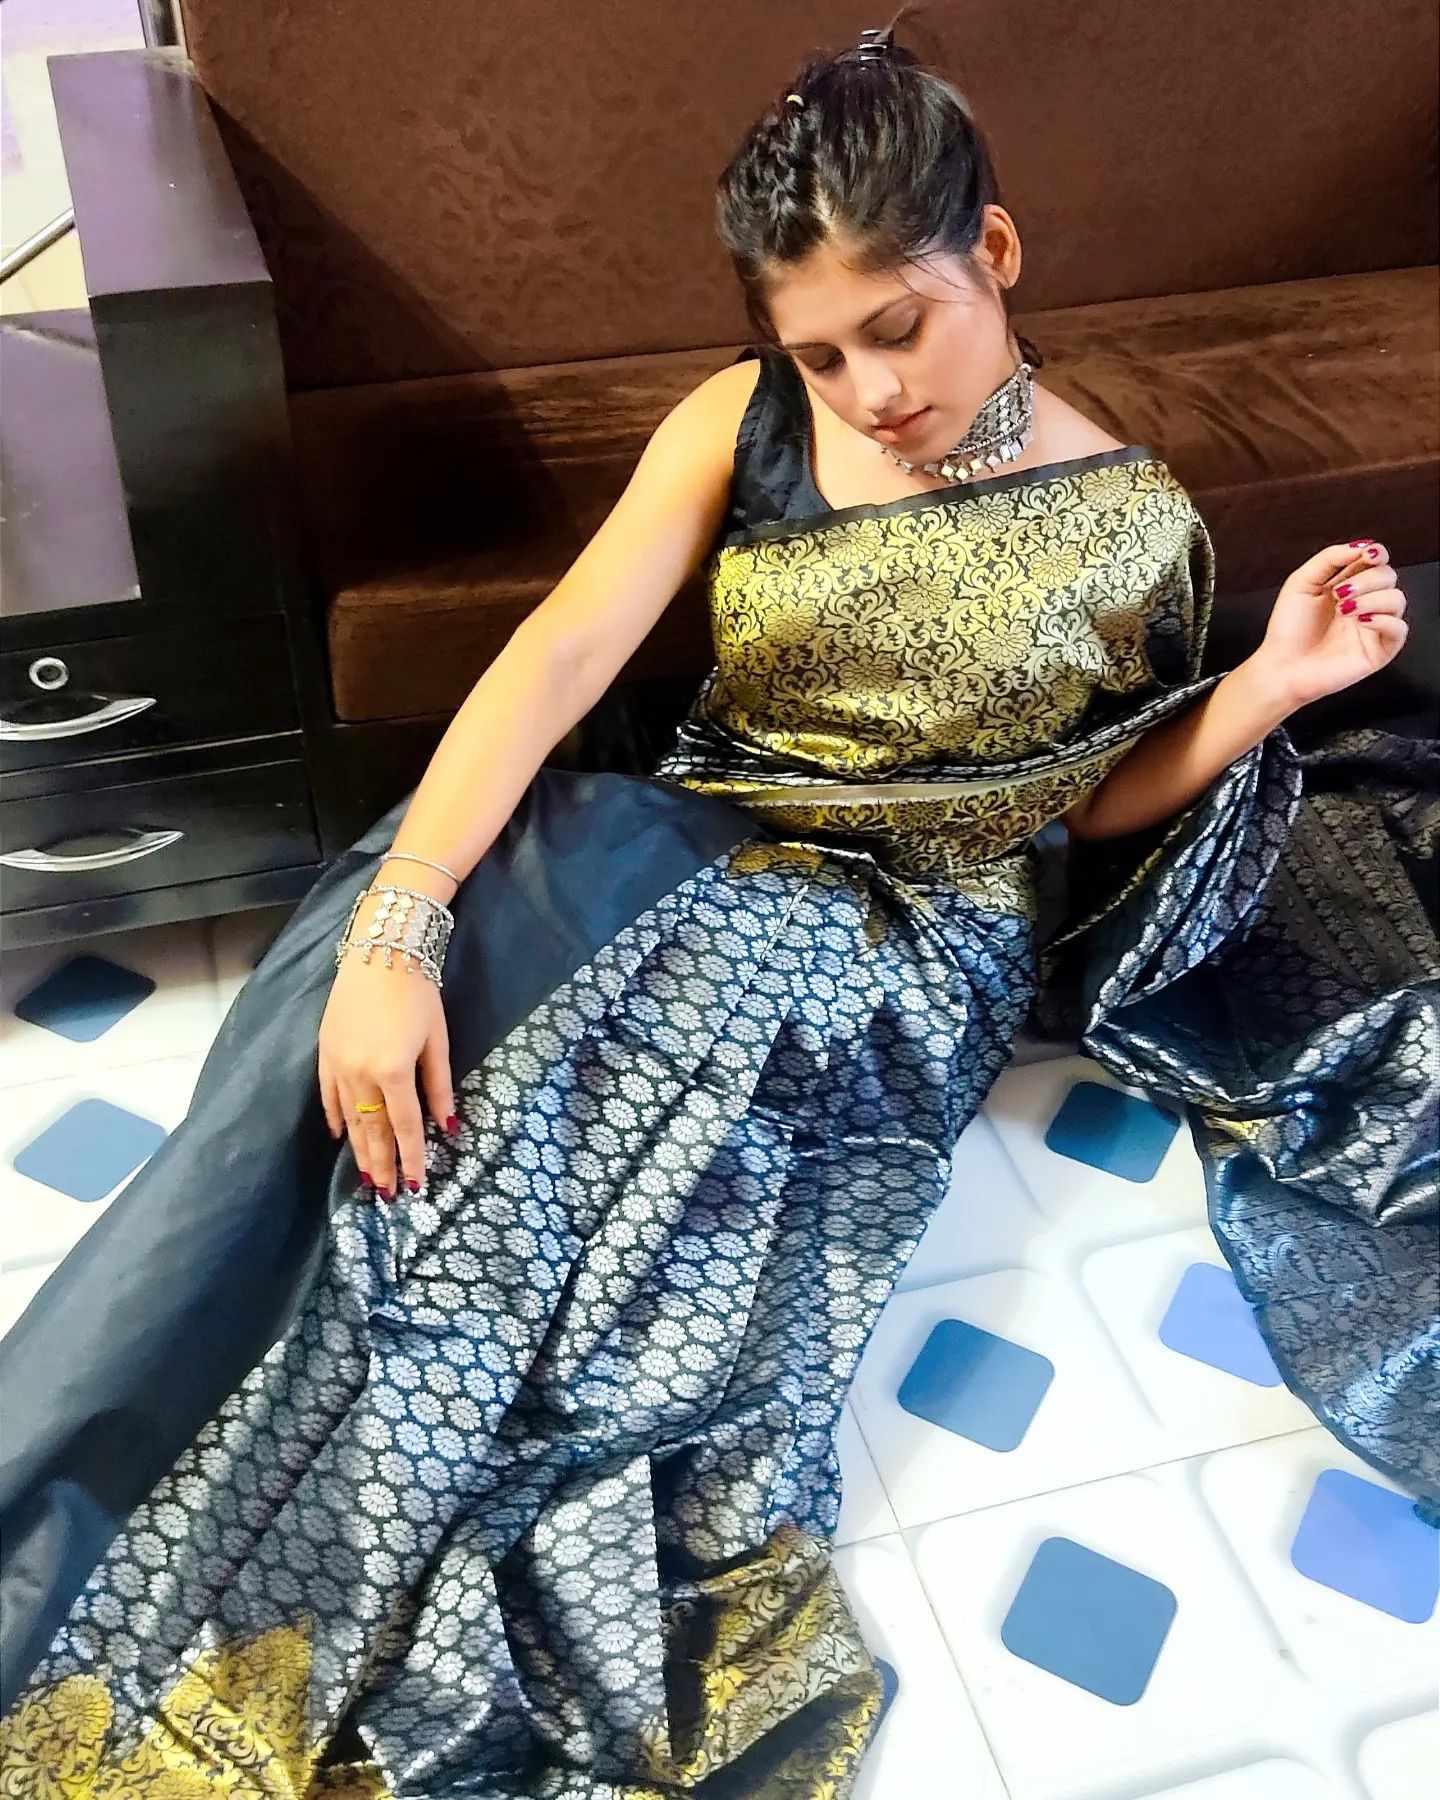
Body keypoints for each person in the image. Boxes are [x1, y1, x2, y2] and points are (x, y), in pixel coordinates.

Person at [2, 14, 1434, 1792]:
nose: (869, 391)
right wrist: (402, 925)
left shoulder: (1128, 518)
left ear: (993, 250)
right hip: (686, 828)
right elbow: (562, 654)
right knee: (356, 1106)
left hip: (908, 934)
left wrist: (1273, 684)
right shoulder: (740, 422)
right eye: (819, 351)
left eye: (897, 328)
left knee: (613, 1275)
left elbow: (1086, 804)